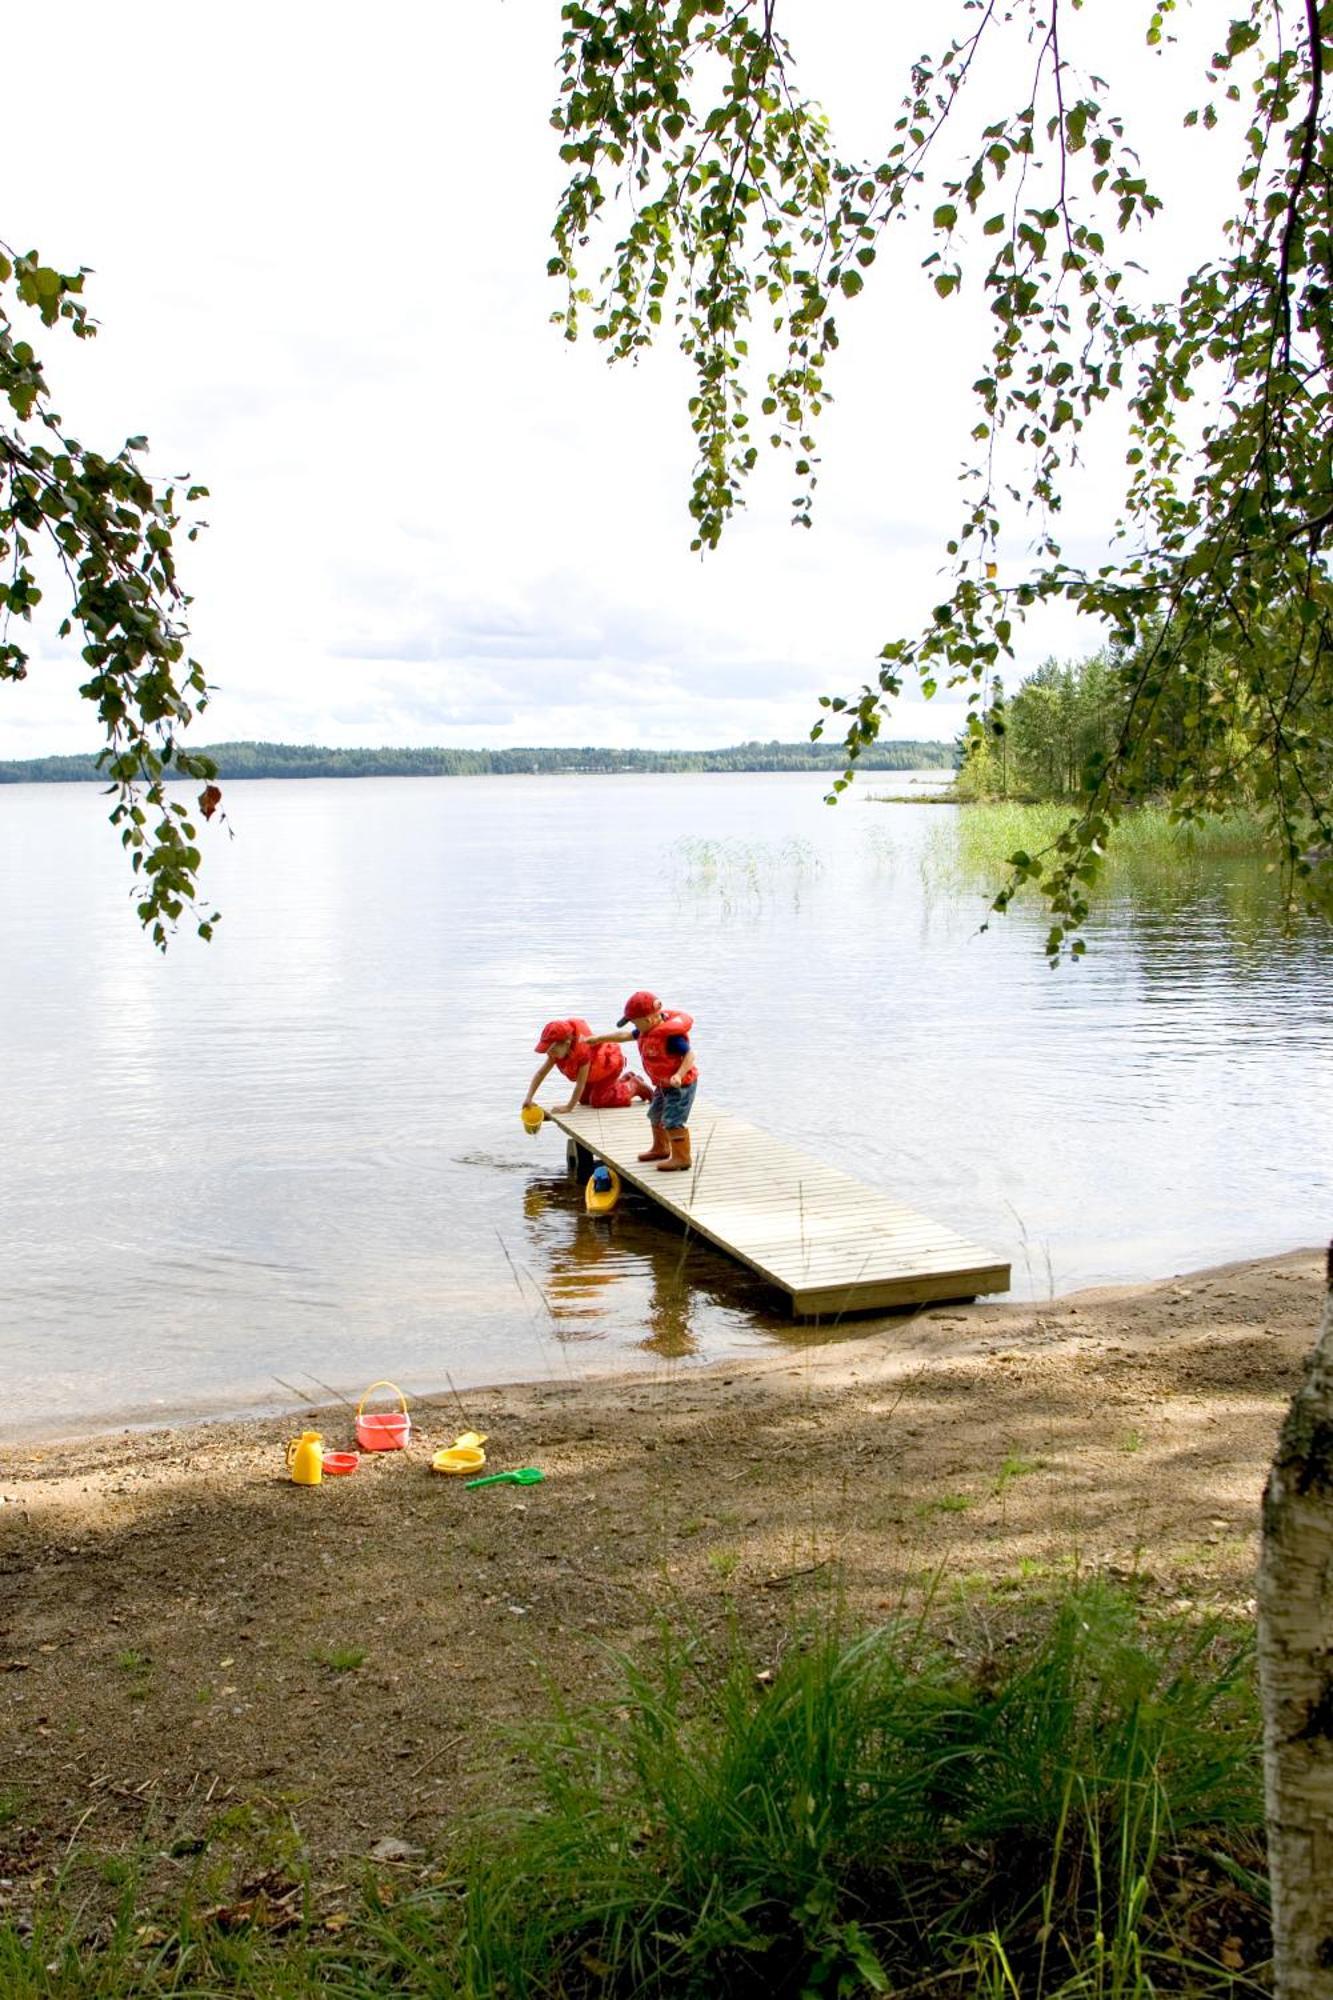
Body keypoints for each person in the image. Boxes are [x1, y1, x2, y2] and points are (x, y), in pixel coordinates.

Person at [588, 990, 697, 1172]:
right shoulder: (646, 1030)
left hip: (681, 1086)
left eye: (634, 1022)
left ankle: (682, 1158)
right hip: (662, 1085)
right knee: (655, 1114)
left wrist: (679, 1074)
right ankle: (661, 1148)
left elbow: (690, 1054)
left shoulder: (671, 1036)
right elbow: (624, 1036)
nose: (634, 1026)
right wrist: (600, 1038)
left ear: (648, 1020)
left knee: (672, 1119)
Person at [523, 1018, 653, 1115]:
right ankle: (625, 1080)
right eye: (548, 1050)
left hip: (609, 1067)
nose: (550, 1053)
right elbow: (541, 1074)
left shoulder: (583, 1053)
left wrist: (568, 1107)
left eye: (553, 1050)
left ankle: (635, 1085)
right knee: (584, 1100)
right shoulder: (556, 1053)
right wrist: (529, 1098)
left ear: (567, 1043)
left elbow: (580, 1084)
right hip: (594, 1075)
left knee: (598, 1101)